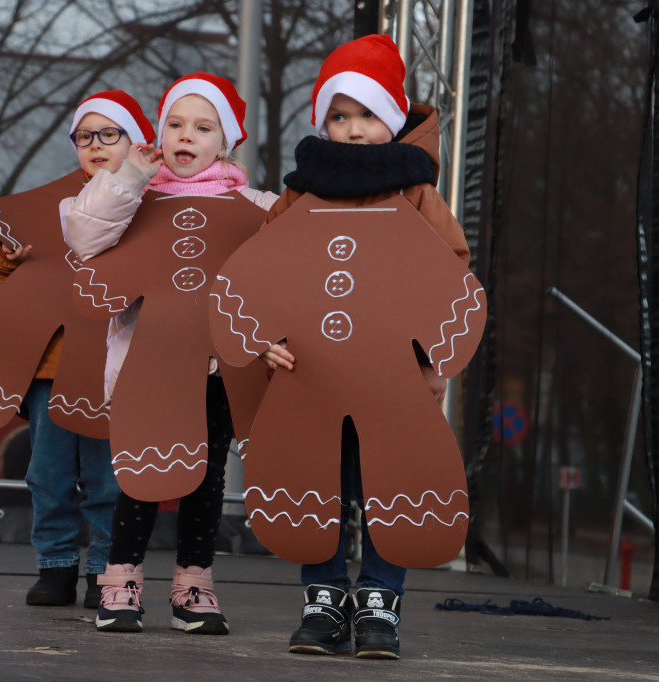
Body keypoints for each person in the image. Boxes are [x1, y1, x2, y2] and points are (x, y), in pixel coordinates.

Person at [257, 35, 471, 659]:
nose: (351, 130)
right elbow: (264, 273)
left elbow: (450, 272)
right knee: (318, 485)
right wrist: (266, 338)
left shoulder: (415, 194)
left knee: (387, 486)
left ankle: (380, 602)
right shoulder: (301, 194)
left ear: (395, 120)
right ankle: (322, 600)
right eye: (338, 116)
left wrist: (433, 359)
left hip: (391, 379)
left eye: (368, 114)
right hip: (314, 376)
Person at [61, 73, 278, 635]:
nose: (187, 136)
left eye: (203, 127)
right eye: (175, 125)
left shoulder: (255, 207)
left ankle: (194, 585)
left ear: (225, 142)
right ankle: (121, 580)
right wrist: (130, 172)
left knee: (205, 480)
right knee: (141, 477)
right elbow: (84, 236)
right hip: (147, 365)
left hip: (218, 369)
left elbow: (286, 275)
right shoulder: (136, 197)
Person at [0, 90, 156, 609]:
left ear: (136, 143)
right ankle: (55, 566)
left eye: (111, 134)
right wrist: (12, 255)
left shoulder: (152, 206)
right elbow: (4, 274)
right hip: (52, 363)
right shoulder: (50, 203)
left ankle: (105, 572)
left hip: (114, 364)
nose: (97, 146)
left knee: (109, 475)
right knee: (49, 471)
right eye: (86, 136)